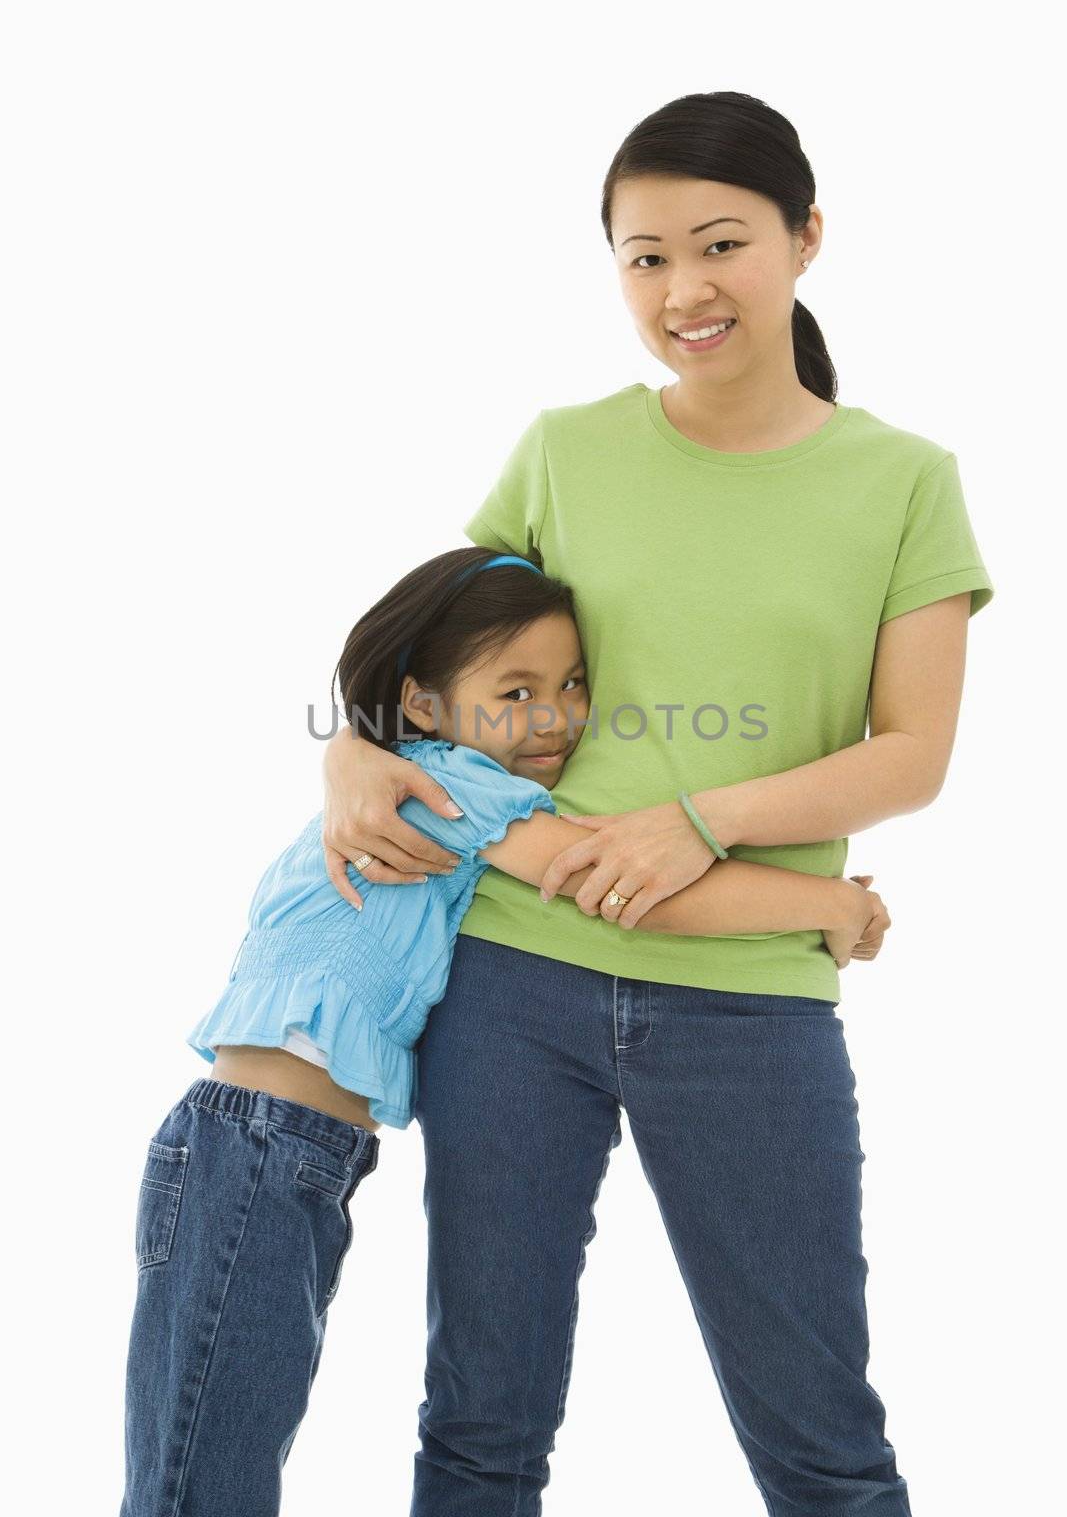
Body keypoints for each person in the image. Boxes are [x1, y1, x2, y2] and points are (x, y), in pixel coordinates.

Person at [322, 91, 995, 1516]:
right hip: (508, 983)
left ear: (804, 240)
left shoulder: (899, 484)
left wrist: (697, 815)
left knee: (820, 1444)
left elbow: (908, 753)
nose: (682, 290)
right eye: (642, 257)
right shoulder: (567, 449)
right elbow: (416, 663)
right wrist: (347, 756)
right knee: (478, 1428)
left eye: (719, 243)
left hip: (748, 1003)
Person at [119, 548, 887, 1517]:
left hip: (294, 1151)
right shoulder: (451, 787)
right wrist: (823, 901)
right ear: (427, 706)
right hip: (257, 1147)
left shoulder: (425, 788)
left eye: (570, 684)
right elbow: (626, 887)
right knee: (202, 1466)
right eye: (513, 689)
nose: (554, 716)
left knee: (217, 1452)